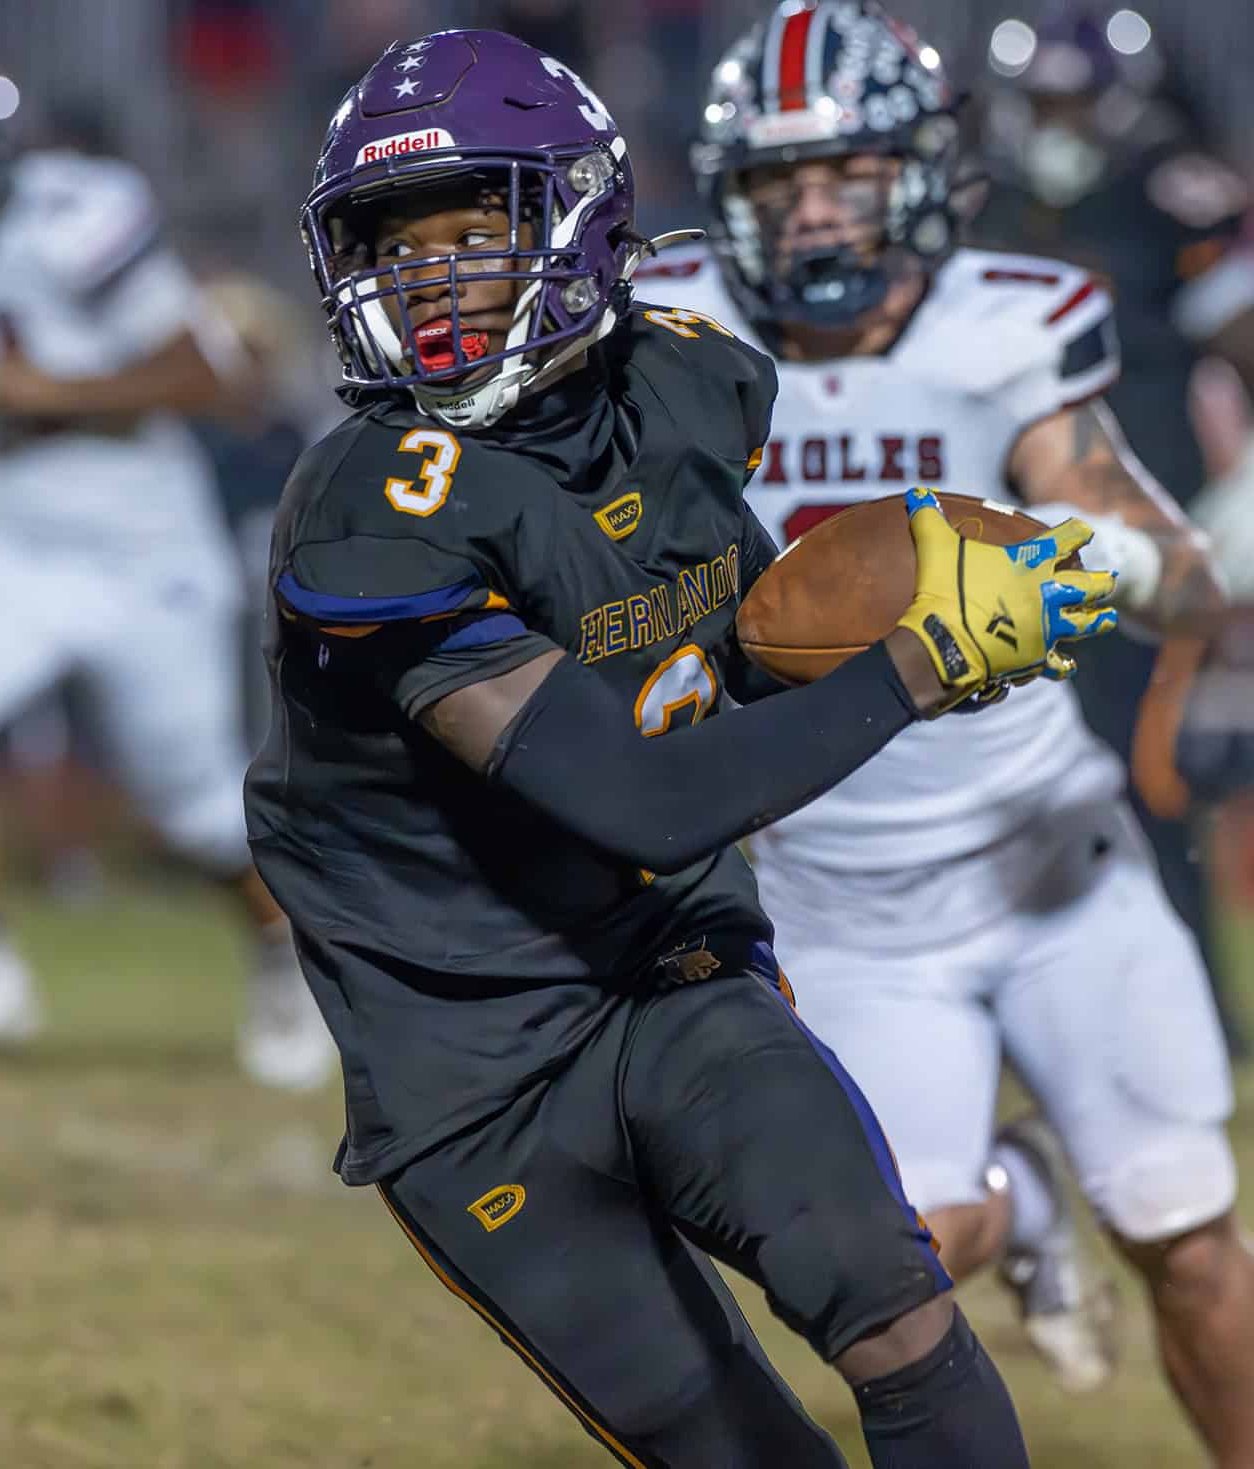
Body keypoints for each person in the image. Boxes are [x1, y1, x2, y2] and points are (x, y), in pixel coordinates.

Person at [246, 27, 1117, 1468]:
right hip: (466, 1077)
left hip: (671, 976)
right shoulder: (372, 509)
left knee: (889, 1312)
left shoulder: (687, 384)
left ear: (581, 221)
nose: (426, 279)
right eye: (392, 246)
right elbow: (634, 797)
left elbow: (743, 641)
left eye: (472, 231)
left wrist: (925, 619)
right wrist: (924, 653)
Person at [661, 1, 1254, 1458]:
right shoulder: (672, 333)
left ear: (917, 172)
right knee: (884, 1268)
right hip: (832, 890)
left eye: (840, 175)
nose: (806, 211)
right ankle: (1025, 1196)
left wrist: (1064, 560)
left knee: (1179, 1231)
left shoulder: (1009, 326)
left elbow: (1173, 573)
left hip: (1044, 860)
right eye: (774, 181)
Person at [0, 63, 333, 1091]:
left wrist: (63, 391)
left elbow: (214, 376)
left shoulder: (76, 217)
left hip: (140, 550)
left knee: (195, 806)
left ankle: (283, 960)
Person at [972, 5, 1254, 1055]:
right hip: (995, 547)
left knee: (1150, 778)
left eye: (1073, 98)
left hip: (1142, 544)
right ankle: (1008, 1025)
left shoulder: (1166, 190)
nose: (1058, 119)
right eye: (1042, 99)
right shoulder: (975, 199)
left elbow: (1242, 336)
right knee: (997, 775)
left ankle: (1191, 1023)